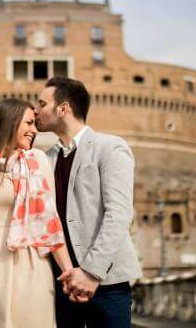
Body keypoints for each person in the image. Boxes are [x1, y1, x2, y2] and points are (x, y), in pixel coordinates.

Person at [0, 98, 82, 328]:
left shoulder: (37, 161)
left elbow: (50, 222)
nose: (34, 130)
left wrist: (69, 272)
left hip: (27, 263)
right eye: (29, 123)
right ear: (9, 121)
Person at [35, 77, 142, 328]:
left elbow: (119, 214)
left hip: (107, 283)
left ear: (63, 109)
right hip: (60, 284)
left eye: (41, 103)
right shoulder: (44, 160)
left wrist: (91, 272)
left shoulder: (110, 147)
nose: (35, 110)